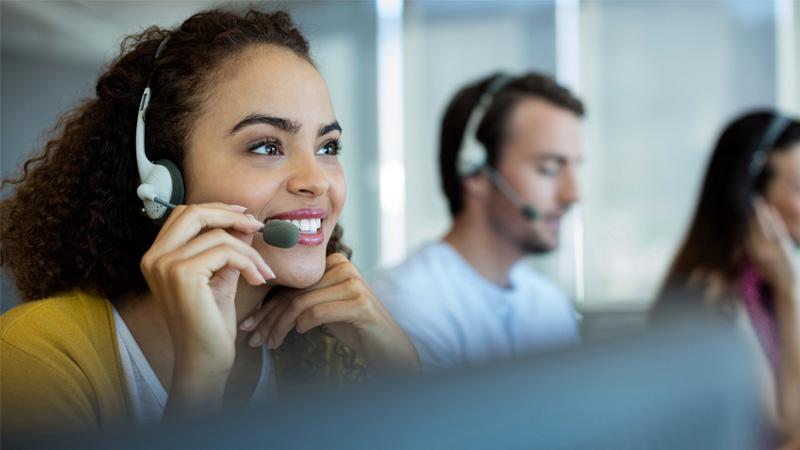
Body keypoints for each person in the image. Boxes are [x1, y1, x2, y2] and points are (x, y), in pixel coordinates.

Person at [0, 8, 418, 446]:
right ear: (163, 177)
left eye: (328, 146)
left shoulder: (323, 346)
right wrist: (200, 381)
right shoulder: (34, 358)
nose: (315, 180)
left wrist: (403, 370)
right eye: (266, 146)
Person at [370, 73, 584, 372]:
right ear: (476, 173)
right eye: (548, 169)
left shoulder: (550, 305)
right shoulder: (408, 304)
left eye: (574, 168)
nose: (573, 195)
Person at [655, 111, 800, 442]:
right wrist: (789, 293)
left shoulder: (767, 282)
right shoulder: (714, 294)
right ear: (751, 199)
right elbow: (786, 425)